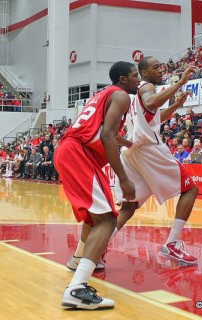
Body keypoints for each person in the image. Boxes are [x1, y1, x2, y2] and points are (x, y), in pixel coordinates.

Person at [66, 59, 199, 272]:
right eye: (155, 67)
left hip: (132, 151)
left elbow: (153, 118)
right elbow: (151, 103)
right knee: (191, 189)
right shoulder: (147, 87)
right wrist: (180, 82)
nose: (160, 69)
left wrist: (175, 105)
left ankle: (97, 252)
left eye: (160, 66)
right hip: (148, 150)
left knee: (128, 207)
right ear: (143, 72)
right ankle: (171, 244)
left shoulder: (131, 95)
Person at [57, 61, 138, 309]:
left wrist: (127, 143)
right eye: (135, 75)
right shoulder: (122, 96)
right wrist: (124, 179)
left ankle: (77, 260)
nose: (138, 80)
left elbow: (106, 132)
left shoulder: (102, 94)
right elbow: (106, 135)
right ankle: (77, 289)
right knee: (107, 220)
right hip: (79, 153)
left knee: (95, 218)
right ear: (123, 79)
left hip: (71, 149)